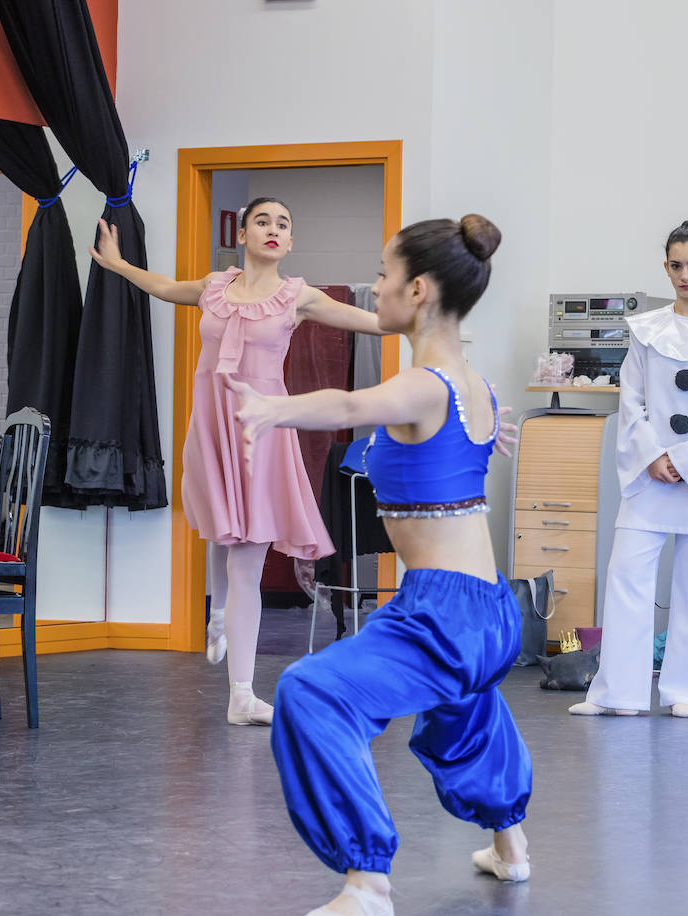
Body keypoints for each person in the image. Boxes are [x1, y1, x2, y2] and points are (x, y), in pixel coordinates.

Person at [226, 215, 531, 915]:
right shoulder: (471, 384)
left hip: (444, 610)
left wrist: (273, 408)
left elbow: (350, 403)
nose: (377, 289)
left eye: (384, 276)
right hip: (488, 611)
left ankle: (366, 882)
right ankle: (510, 846)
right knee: (465, 712)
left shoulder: (423, 384)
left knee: (311, 694)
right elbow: (441, 452)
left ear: (418, 289)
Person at [89, 197, 390, 725]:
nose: (274, 230)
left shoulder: (298, 297)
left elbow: (377, 323)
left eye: (284, 224)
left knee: (248, 549)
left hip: (261, 430)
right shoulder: (212, 288)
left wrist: (423, 308)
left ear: (290, 242)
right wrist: (115, 264)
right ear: (243, 234)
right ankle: (223, 615)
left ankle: (242, 694)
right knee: (222, 531)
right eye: (263, 222)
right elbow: (162, 286)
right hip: (211, 425)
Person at [570, 218, 688, 718]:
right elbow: (630, 399)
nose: (684, 275)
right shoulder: (645, 331)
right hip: (649, 473)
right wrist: (652, 454)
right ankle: (619, 693)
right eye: (675, 266)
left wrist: (687, 460)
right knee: (627, 574)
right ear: (666, 268)